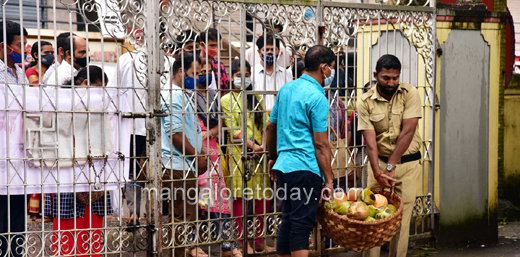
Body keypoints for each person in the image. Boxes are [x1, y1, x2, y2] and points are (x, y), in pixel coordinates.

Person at [265, 45, 335, 257]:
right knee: (302, 224)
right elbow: (321, 145)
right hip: (305, 169)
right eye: (331, 68)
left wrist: (272, 157)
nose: (331, 73)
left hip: (284, 167)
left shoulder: (287, 89)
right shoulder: (317, 97)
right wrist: (330, 181)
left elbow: (270, 127)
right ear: (323, 68)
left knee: (289, 219)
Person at [358, 54, 422, 257]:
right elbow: (370, 142)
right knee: (372, 218)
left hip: (408, 166)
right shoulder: (365, 101)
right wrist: (379, 174)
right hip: (379, 166)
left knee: (401, 222)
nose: (391, 82)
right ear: (376, 75)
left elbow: (408, 131)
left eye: (395, 78)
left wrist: (390, 168)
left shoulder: (410, 93)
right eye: (386, 78)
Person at [44, 65, 112, 257]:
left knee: (91, 228)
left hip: (92, 172)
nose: (102, 94)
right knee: (69, 228)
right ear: (85, 84)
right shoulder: (62, 103)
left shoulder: (97, 104)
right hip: (70, 171)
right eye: (100, 88)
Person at [221, 59, 273, 253]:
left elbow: (264, 125)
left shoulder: (256, 98)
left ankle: (259, 239)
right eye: (238, 76)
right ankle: (242, 242)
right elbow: (233, 130)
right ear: (232, 78)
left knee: (262, 196)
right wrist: (254, 147)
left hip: (259, 154)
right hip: (238, 155)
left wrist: (262, 146)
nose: (243, 79)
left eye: (247, 75)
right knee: (239, 197)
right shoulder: (226, 100)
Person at [160, 52, 209, 257]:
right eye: (194, 73)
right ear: (181, 71)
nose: (197, 79)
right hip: (178, 166)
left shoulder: (180, 93)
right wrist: (197, 157)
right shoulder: (175, 95)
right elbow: (176, 135)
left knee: (182, 218)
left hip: (182, 164)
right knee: (181, 218)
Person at [191, 58, 240, 257]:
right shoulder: (186, 95)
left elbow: (220, 124)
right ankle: (192, 244)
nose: (204, 74)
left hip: (213, 149)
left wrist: (208, 133)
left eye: (208, 70)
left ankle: (228, 244)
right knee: (196, 199)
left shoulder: (213, 95)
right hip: (193, 150)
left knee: (219, 197)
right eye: (200, 71)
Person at [0, 20, 29, 257]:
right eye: (21, 45)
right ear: (4, 46)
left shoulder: (20, 73)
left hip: (19, 154)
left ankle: (15, 252)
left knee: (17, 212)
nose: (25, 50)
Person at [252, 32, 293, 111]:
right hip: (259, 121)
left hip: (281, 120)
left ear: (279, 51)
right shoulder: (252, 73)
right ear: (259, 52)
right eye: (266, 50)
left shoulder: (287, 74)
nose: (270, 52)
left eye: (273, 49)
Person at [200, 28, 230, 94]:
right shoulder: (196, 63)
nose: (214, 48)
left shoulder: (220, 64)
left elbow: (224, 87)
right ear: (202, 45)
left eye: (216, 45)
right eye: (212, 45)